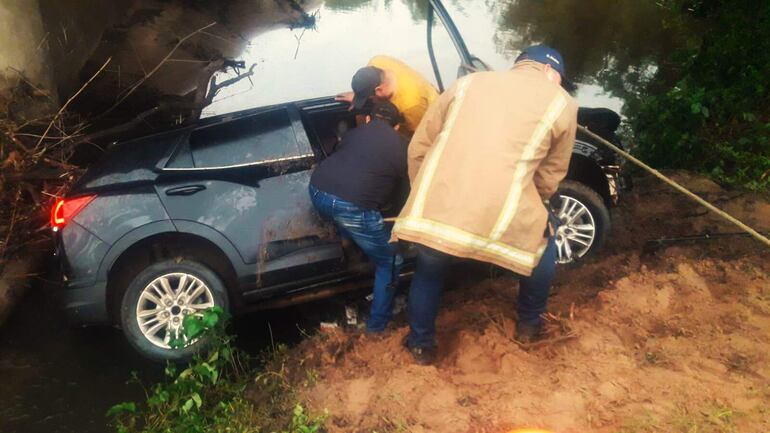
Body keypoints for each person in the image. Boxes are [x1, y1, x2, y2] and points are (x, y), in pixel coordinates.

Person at [391, 45, 578, 364]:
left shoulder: (467, 83)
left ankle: (421, 346)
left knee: (430, 267)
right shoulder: (563, 103)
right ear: (550, 73)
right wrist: (535, 206)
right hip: (500, 212)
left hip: (441, 206)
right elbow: (550, 175)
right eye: (559, 79)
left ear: (519, 66)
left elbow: (418, 148)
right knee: (543, 244)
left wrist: (427, 192)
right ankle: (529, 325)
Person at [309, 101, 408, 333]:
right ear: (396, 127)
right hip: (351, 207)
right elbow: (404, 192)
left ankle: (350, 241)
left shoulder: (354, 134)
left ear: (368, 119)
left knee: (352, 220)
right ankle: (377, 327)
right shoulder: (403, 147)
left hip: (317, 192)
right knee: (390, 261)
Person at [337, 55, 439, 135]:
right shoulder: (377, 62)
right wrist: (359, 94)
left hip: (427, 121)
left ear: (379, 89)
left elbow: (421, 139)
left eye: (370, 98)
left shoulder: (412, 104)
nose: (371, 101)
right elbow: (366, 79)